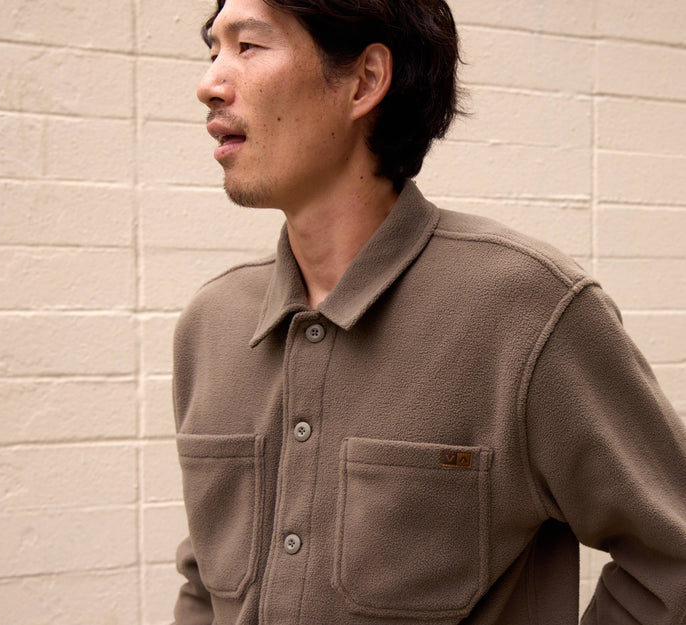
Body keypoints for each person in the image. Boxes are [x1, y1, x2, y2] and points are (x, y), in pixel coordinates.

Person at [171, 0, 686, 623]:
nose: (209, 84)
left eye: (248, 46)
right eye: (213, 50)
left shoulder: (525, 308)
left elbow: (673, 559)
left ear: (365, 80)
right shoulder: (210, 324)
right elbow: (204, 583)